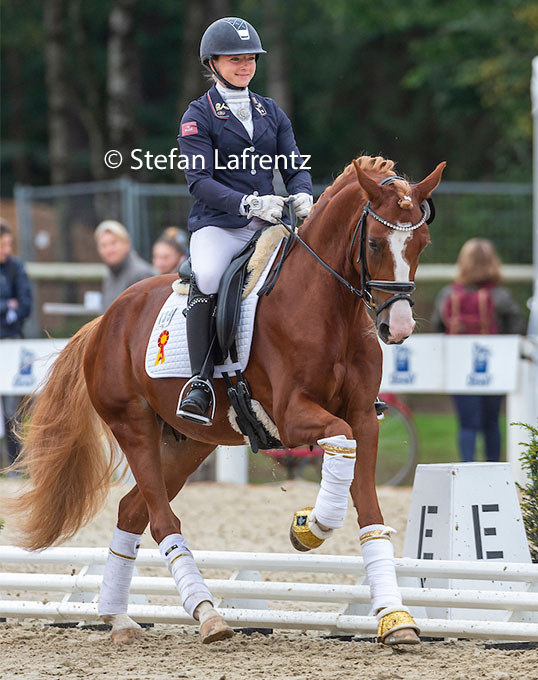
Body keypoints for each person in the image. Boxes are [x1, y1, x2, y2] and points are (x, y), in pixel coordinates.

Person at [176, 16, 313, 425]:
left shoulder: (269, 111)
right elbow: (199, 181)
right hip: (220, 224)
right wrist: (249, 204)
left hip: (271, 222)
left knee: (321, 268)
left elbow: (293, 163)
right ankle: (200, 381)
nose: (245, 66)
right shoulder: (198, 115)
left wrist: (303, 192)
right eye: (235, 59)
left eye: (250, 58)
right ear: (213, 63)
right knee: (211, 275)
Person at [431, 238, 526, 462]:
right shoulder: (500, 296)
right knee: (491, 422)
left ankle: (467, 470)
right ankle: (493, 473)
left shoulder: (447, 294)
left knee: (467, 423)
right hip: (493, 369)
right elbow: (517, 327)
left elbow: (437, 327)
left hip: (459, 368)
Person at [0, 219, 32, 467]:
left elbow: (24, 305)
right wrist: (5, 307)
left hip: (11, 344)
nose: (6, 250)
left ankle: (16, 465)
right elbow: (11, 307)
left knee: (13, 410)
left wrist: (12, 309)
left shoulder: (16, 267)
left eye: (8, 244)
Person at [95, 220, 155, 310]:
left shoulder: (141, 274)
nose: (109, 250)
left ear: (126, 243)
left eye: (113, 243)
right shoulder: (111, 274)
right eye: (104, 245)